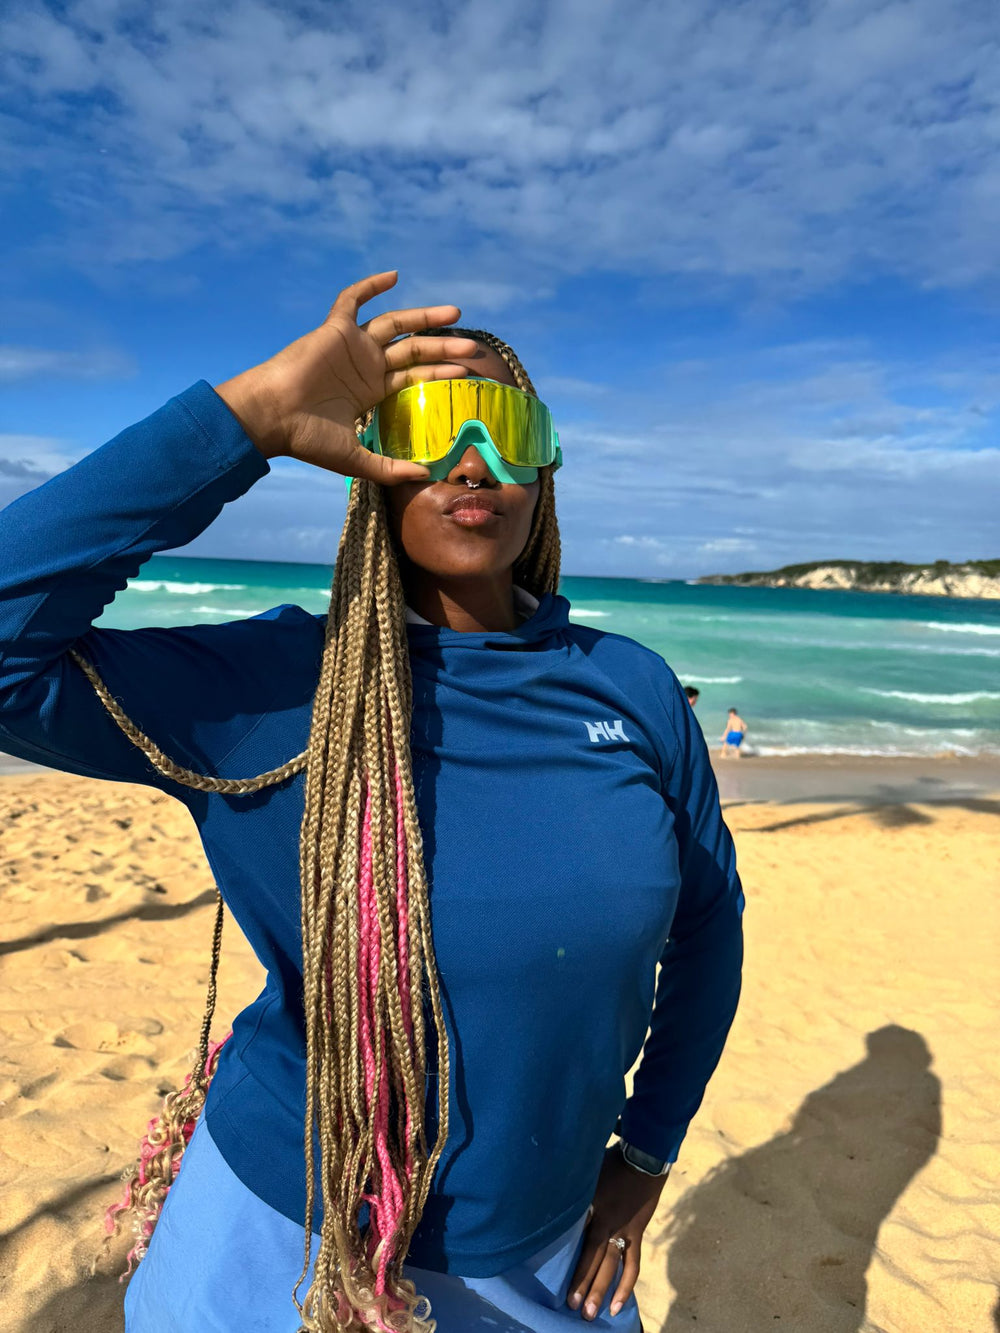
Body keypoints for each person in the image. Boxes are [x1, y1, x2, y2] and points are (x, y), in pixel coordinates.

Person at [0, 271, 744, 1332]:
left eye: (504, 427)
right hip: (274, 1234)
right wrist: (245, 419)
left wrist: (649, 1151)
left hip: (542, 1250)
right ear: (367, 465)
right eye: (427, 427)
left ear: (543, 467)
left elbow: (710, 927)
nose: (470, 461)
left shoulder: (627, 687)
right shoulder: (273, 685)